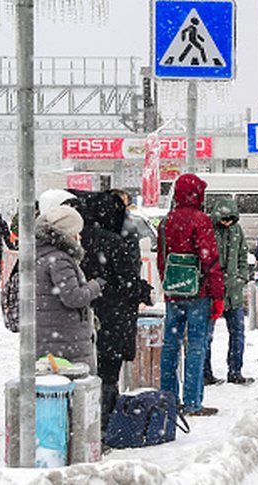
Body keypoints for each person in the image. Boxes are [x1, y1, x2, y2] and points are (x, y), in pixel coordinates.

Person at [72, 191, 152, 433]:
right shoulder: (115, 241)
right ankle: (105, 423)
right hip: (115, 316)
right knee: (109, 371)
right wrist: (143, 291)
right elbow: (128, 280)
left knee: (85, 371)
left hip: (84, 316)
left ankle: (84, 423)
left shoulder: (78, 240)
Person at [156, 173, 225, 417]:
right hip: (199, 292)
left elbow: (162, 259)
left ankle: (167, 399)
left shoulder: (166, 221)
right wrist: (217, 295)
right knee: (196, 345)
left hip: (174, 292)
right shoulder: (201, 220)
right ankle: (193, 402)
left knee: (170, 346)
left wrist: (170, 285)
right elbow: (210, 260)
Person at [34, 205, 105, 371]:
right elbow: (73, 297)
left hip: (50, 336)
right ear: (65, 234)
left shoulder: (42, 254)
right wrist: (95, 286)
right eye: (75, 232)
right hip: (66, 339)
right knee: (76, 389)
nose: (79, 236)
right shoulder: (59, 259)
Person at [204, 197, 254, 385]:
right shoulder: (208, 230)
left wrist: (241, 276)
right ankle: (205, 373)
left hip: (234, 292)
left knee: (238, 332)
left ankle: (235, 371)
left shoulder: (236, 230)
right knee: (206, 335)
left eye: (231, 219)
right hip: (212, 291)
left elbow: (243, 254)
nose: (227, 223)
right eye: (224, 219)